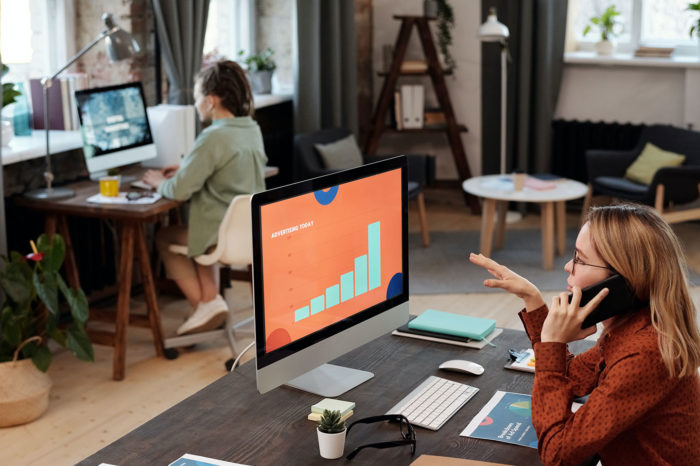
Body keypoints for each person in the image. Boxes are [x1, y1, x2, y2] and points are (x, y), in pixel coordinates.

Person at [470, 204, 700, 465]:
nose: (568, 266)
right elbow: (570, 377)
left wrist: (553, 342)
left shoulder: (645, 353)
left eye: (580, 259)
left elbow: (557, 453)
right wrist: (532, 299)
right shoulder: (632, 327)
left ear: (621, 281)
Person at [142, 60, 267, 335]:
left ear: (210, 101)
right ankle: (209, 303)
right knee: (201, 228)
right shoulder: (251, 129)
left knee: (165, 236)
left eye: (198, 97)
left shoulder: (212, 137)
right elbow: (225, 167)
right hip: (252, 233)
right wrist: (188, 167)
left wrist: (160, 182)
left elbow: (179, 190)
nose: (196, 102)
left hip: (218, 237)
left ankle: (205, 305)